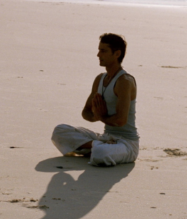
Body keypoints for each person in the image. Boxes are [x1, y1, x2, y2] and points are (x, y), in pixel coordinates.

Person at [51, 33, 138, 167]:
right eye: (99, 50)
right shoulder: (100, 79)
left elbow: (121, 120)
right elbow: (86, 113)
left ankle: (95, 148)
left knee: (101, 153)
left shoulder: (124, 81)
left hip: (126, 143)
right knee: (59, 131)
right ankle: (95, 146)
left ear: (117, 54)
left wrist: (101, 117)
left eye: (103, 51)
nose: (98, 55)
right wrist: (96, 117)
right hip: (105, 138)